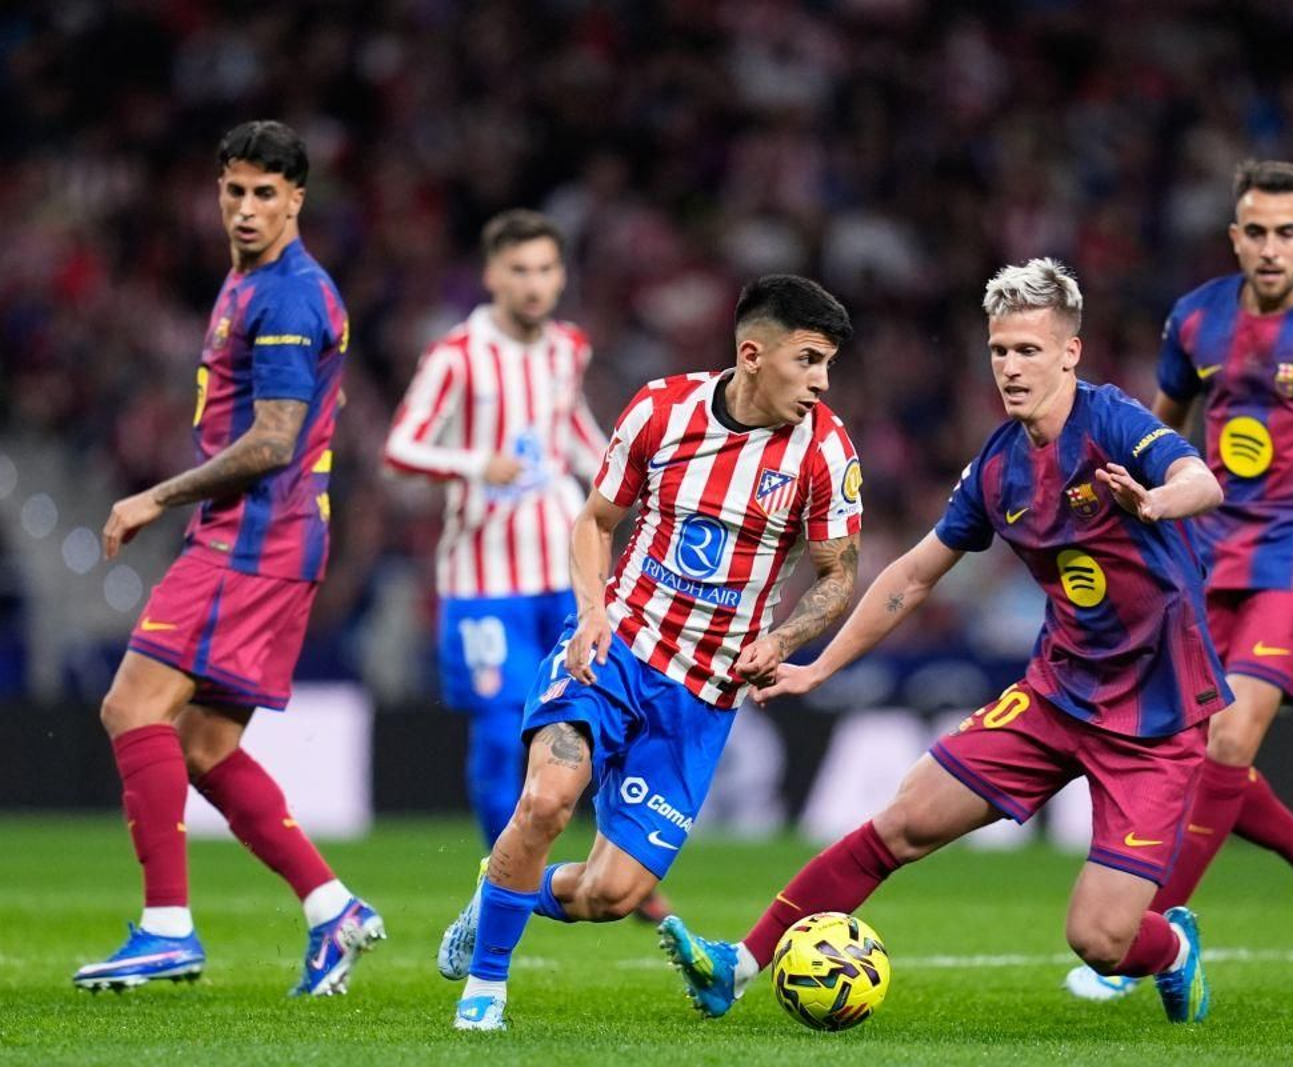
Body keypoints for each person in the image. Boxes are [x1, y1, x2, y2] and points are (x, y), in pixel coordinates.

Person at [660, 258, 1231, 1027]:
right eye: (999, 350)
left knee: (1100, 938)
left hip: (1155, 721)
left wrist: (1157, 501)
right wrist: (819, 665)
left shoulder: (1114, 423)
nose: (1010, 367)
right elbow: (912, 576)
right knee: (902, 820)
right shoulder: (998, 465)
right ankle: (738, 965)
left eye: (1028, 350)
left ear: (1070, 352)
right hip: (1058, 695)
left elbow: (1203, 480)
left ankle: (1173, 949)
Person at [441, 274, 864, 1031]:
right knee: (544, 802)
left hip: (702, 695)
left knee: (613, 895)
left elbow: (838, 575)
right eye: (808, 360)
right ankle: (485, 990)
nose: (821, 382)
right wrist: (591, 612)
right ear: (753, 354)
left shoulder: (825, 451)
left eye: (828, 364)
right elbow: (595, 521)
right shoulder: (661, 410)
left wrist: (783, 637)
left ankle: (497, 892)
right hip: (616, 649)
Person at [1064, 160, 1293, 1000]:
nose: (1270, 247)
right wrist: (1136, 512)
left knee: (1227, 742)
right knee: (1193, 747)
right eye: (1255, 232)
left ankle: (1151, 930)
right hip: (1205, 548)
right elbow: (1159, 430)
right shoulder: (1196, 318)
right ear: (1234, 237)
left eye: (1286, 233)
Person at [74, 121, 383, 996]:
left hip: (253, 537)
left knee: (131, 705)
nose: (247, 208)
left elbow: (275, 439)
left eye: (265, 194)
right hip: (270, 539)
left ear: (296, 200)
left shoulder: (289, 296)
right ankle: (333, 908)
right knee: (204, 744)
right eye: (234, 190)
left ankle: (167, 928)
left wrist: (155, 496)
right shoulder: (251, 280)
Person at [386, 211, 673, 953]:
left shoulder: (568, 347)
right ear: (492, 276)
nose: (535, 284)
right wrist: (474, 464)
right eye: (520, 270)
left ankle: (611, 863)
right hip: (482, 581)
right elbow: (402, 447)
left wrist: (626, 480)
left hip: (564, 575)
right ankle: (499, 886)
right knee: (496, 734)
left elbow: (571, 429)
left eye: (546, 269)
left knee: (594, 717)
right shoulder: (456, 356)